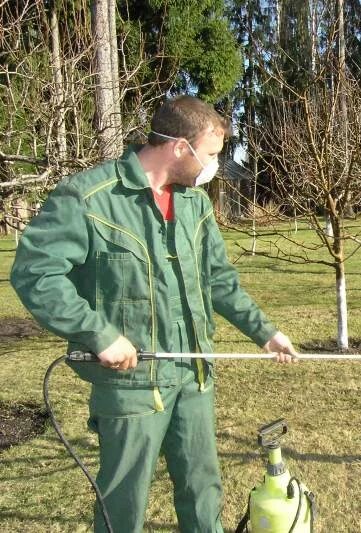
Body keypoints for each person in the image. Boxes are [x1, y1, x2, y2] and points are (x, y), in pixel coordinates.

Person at [10, 95, 297, 532]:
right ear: (180, 148)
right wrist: (98, 333)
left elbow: (218, 280)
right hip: (131, 387)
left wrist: (266, 332)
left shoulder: (195, 205)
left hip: (194, 375)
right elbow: (36, 274)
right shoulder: (88, 198)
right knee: (123, 503)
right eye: (211, 155)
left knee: (203, 490)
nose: (214, 166)